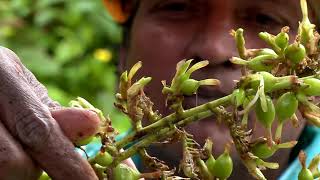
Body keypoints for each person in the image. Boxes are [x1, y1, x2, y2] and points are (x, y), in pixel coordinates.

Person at [0, 0, 319, 179]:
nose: (215, 49)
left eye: (264, 16)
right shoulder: (59, 164)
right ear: (122, 53)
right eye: (178, 7)